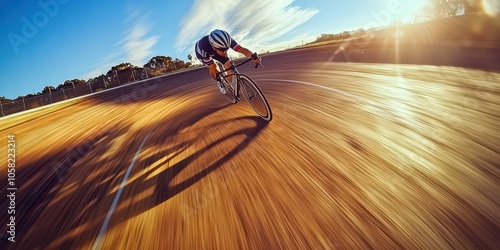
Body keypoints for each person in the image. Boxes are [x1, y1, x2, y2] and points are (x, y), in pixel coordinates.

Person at [195, 29, 261, 94]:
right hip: (201, 53)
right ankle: (219, 81)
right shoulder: (203, 47)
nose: (225, 52)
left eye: (226, 49)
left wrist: (253, 56)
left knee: (228, 64)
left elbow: (241, 49)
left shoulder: (227, 40)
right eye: (223, 50)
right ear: (214, 47)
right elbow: (211, 66)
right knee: (213, 67)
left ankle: (231, 85)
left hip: (215, 49)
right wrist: (218, 77)